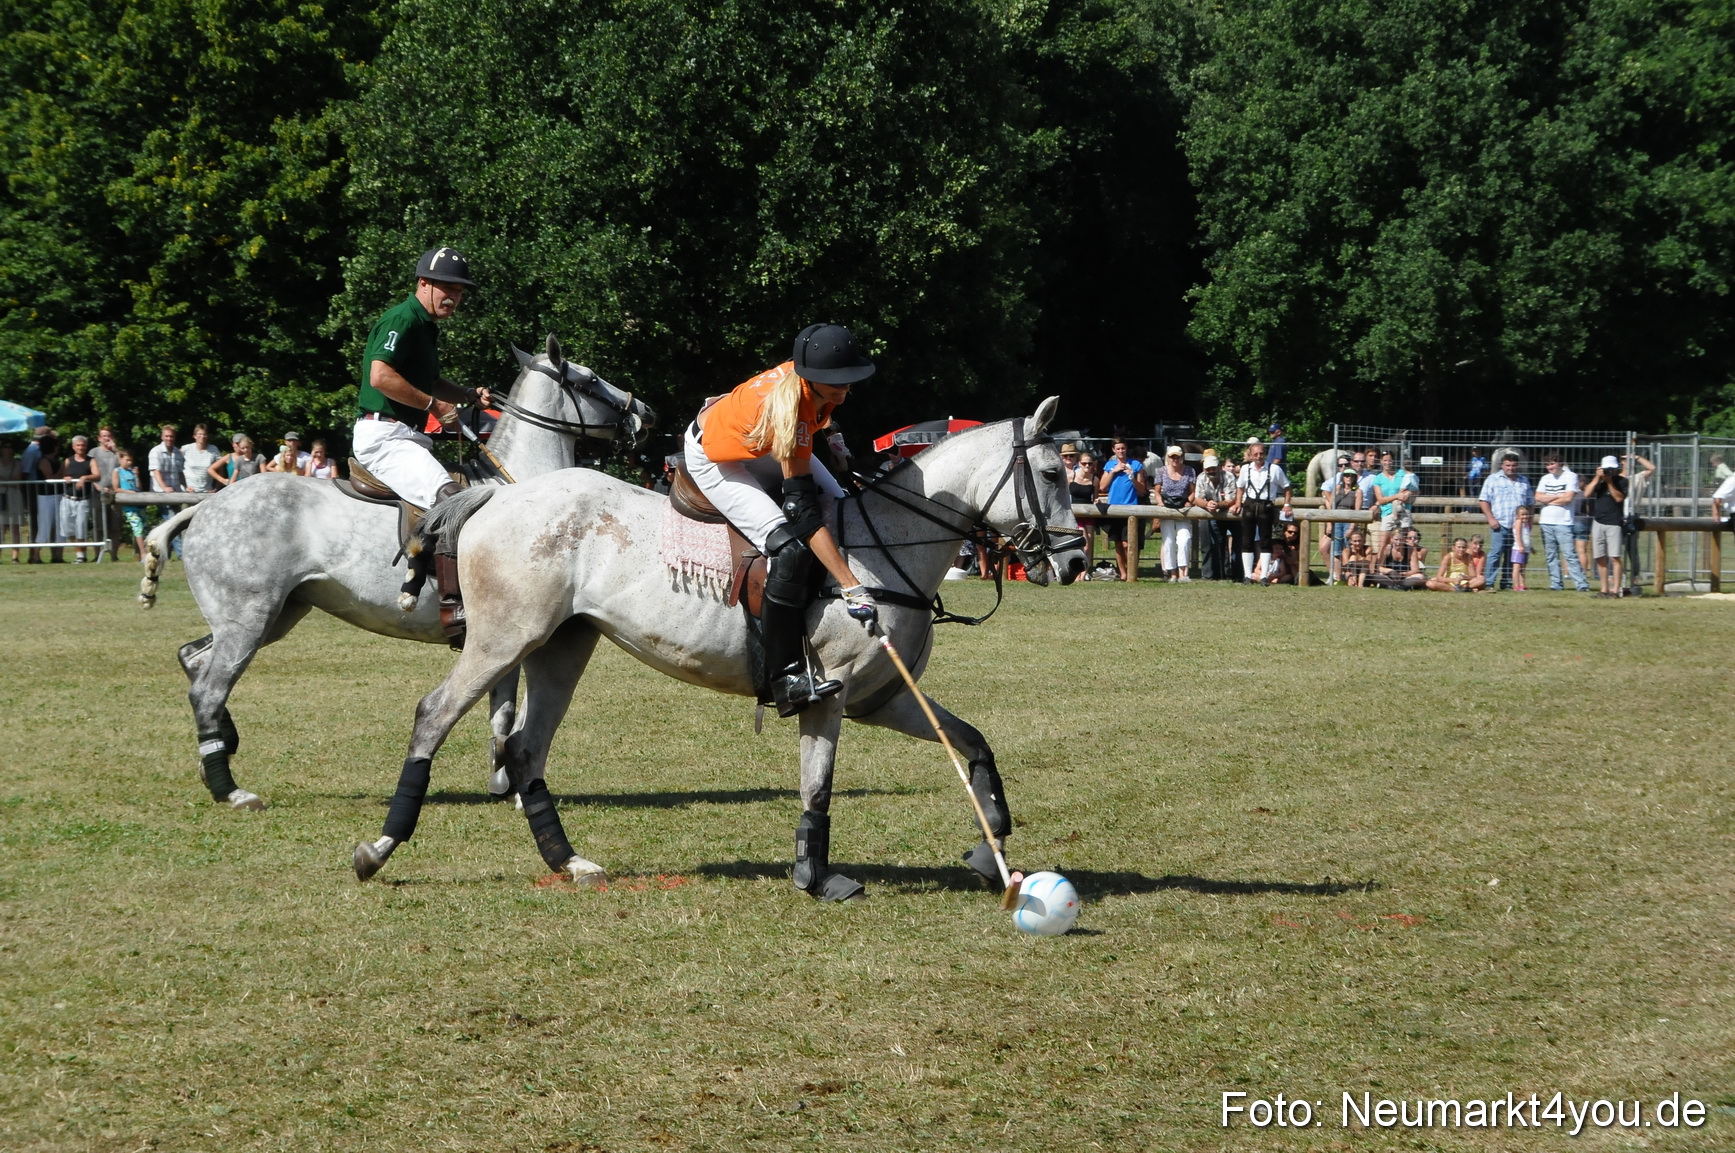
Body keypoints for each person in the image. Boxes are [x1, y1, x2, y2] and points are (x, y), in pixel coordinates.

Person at [684, 323, 878, 717]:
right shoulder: (787, 410)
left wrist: (834, 437)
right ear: (811, 378)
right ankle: (786, 677)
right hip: (716, 456)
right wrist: (852, 586)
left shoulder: (815, 377)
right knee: (789, 548)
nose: (844, 389)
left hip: (759, 439)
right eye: (835, 383)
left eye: (848, 380)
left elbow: (821, 416)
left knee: (843, 503)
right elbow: (802, 514)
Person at [354, 247, 495, 613]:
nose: (454, 297)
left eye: (460, 291)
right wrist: (434, 406)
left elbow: (429, 381)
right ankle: (453, 603)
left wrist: (464, 395)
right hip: (383, 436)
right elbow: (380, 376)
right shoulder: (402, 319)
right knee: (452, 499)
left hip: (407, 436)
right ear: (423, 283)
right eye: (447, 287)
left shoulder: (425, 327)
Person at [1233, 436, 1289, 584]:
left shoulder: (1274, 469)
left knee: (1265, 541)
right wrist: (1238, 502)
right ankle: (1247, 576)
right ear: (1251, 455)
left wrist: (1287, 504)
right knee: (1247, 541)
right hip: (1249, 505)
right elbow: (1240, 487)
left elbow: (1287, 487)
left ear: (1264, 454)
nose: (1258, 456)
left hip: (1266, 506)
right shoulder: (1245, 469)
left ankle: (1264, 576)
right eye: (1255, 454)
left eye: (1261, 453)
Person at [1533, 453, 1590, 592]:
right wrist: (1557, 496)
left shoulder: (1571, 476)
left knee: (1569, 554)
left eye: (1552, 463)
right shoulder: (1545, 478)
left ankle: (1581, 584)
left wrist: (1549, 500)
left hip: (1563, 522)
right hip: (1546, 521)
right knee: (1551, 554)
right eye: (1547, 465)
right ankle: (1556, 583)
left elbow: (1568, 498)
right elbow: (1538, 496)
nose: (1550, 467)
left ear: (1560, 463)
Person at [1477, 452, 1533, 591]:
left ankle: (1507, 582)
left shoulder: (1524, 481)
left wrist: (1528, 522)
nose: (1511, 468)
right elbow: (1484, 500)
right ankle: (1489, 582)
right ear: (1502, 465)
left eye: (1514, 465)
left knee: (1512, 555)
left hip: (1518, 525)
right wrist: (1490, 518)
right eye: (1508, 465)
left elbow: (1530, 503)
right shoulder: (1493, 479)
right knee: (1496, 553)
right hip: (1500, 523)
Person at [1095, 438, 1145, 581]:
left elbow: (1142, 490)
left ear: (1126, 448)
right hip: (1114, 509)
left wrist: (1132, 477)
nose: (1121, 451)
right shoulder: (1109, 465)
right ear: (1113, 450)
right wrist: (1113, 472)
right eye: (1118, 449)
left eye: (1123, 448)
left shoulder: (1136, 465)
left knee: (1127, 543)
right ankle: (1122, 572)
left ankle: (1132, 571)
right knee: (1117, 542)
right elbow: (1102, 487)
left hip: (1131, 509)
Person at [1584, 455, 1628, 597]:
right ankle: (1604, 589)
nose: (1609, 472)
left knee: (1614, 557)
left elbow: (1619, 498)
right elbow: (1587, 493)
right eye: (1606, 469)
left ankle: (1615, 589)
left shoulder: (1622, 481)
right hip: (1598, 522)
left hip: (1614, 523)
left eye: (1611, 469)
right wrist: (1597, 478)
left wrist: (1609, 482)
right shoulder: (1599, 482)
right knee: (1600, 557)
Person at [1154, 445, 1196, 581]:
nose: (1175, 459)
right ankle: (1172, 573)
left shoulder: (1190, 471)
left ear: (1181, 457)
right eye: (1172, 456)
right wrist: (1160, 501)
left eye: (1177, 456)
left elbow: (1193, 491)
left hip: (1183, 509)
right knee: (1168, 541)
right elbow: (1157, 490)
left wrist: (1189, 501)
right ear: (1168, 457)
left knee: (1184, 539)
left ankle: (1184, 572)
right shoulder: (1161, 471)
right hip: (1167, 508)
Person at [1318, 456, 1362, 584]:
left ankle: (1350, 577)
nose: (1349, 478)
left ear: (1355, 478)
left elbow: (1357, 511)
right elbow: (1331, 503)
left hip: (1348, 520)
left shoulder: (1358, 492)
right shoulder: (1337, 488)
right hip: (1336, 520)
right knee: (1336, 550)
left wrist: (1352, 527)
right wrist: (1330, 522)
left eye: (1351, 476)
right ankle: (1337, 577)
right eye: (1346, 475)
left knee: (1348, 549)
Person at [1193, 450, 1234, 580]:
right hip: (1206, 512)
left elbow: (1231, 498)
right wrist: (1206, 504)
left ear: (1218, 466)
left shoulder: (1229, 476)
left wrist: (1218, 504)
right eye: (1208, 468)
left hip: (1226, 513)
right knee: (1206, 544)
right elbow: (1197, 498)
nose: (1211, 471)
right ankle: (1207, 575)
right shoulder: (1201, 477)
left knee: (1223, 545)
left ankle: (1226, 572)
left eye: (1213, 468)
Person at [1365, 451, 1417, 553]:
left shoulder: (1402, 473)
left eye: (1389, 460)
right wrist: (1397, 496)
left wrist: (1409, 493)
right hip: (1387, 512)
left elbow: (1414, 488)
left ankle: (1406, 564)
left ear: (1393, 461)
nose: (1387, 463)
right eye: (1385, 460)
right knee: (1383, 543)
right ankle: (1380, 566)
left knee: (1405, 542)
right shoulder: (1378, 479)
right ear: (1380, 461)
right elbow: (1380, 499)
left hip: (1404, 510)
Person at [58, 434, 99, 561]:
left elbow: (97, 475)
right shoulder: (68, 461)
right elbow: (61, 476)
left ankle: (80, 555)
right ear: (73, 446)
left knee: (80, 527)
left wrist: (85, 478)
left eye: (83, 445)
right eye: (78, 445)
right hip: (67, 499)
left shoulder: (91, 460)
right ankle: (79, 550)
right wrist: (65, 478)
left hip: (83, 500)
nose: (81, 447)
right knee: (67, 528)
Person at [90, 426, 122, 558]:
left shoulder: (117, 453)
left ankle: (114, 554)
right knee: (98, 525)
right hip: (98, 492)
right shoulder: (93, 452)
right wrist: (96, 485)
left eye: (108, 435)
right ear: (99, 438)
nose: (106, 438)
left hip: (115, 493)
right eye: (104, 436)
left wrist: (116, 449)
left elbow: (126, 463)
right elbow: (88, 471)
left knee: (115, 524)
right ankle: (97, 554)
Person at [112, 451, 147, 560]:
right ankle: (143, 553)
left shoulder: (132, 472)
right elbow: (116, 488)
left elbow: (139, 487)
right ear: (120, 460)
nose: (129, 462)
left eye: (131, 460)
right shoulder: (117, 471)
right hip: (128, 505)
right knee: (138, 527)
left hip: (138, 503)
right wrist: (128, 492)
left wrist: (137, 476)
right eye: (127, 460)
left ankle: (139, 551)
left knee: (144, 527)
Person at [0, 438, 23, 560]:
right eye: (5, 446)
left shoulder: (17, 463)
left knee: (15, 526)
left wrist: (3, 480)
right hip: (1, 496)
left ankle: (15, 556)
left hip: (14, 496)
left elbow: (17, 481)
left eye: (10, 447)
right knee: (0, 528)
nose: (7, 449)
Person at [181, 423, 219, 494]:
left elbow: (220, 469)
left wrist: (216, 488)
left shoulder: (213, 449)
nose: (202, 436)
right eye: (200, 434)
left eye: (204, 434)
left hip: (207, 491)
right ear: (195, 436)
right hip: (189, 491)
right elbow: (177, 467)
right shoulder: (186, 449)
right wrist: (184, 486)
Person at [148, 424, 186, 494]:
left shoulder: (178, 452)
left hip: (176, 492)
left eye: (171, 436)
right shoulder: (156, 451)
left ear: (174, 437)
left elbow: (180, 473)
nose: (169, 438)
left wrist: (186, 487)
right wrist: (165, 488)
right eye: (166, 436)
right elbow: (156, 472)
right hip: (160, 493)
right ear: (162, 437)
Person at [1508, 505, 1534, 591]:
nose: (1525, 516)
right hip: (1518, 548)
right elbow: (1518, 535)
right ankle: (1516, 585)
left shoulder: (1526, 524)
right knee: (1517, 568)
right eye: (1522, 514)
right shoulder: (1518, 522)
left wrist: (1530, 547)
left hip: (1525, 548)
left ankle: (1522, 584)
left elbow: (1527, 536)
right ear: (1517, 516)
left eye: (1526, 514)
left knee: (1522, 568)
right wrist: (1520, 546)